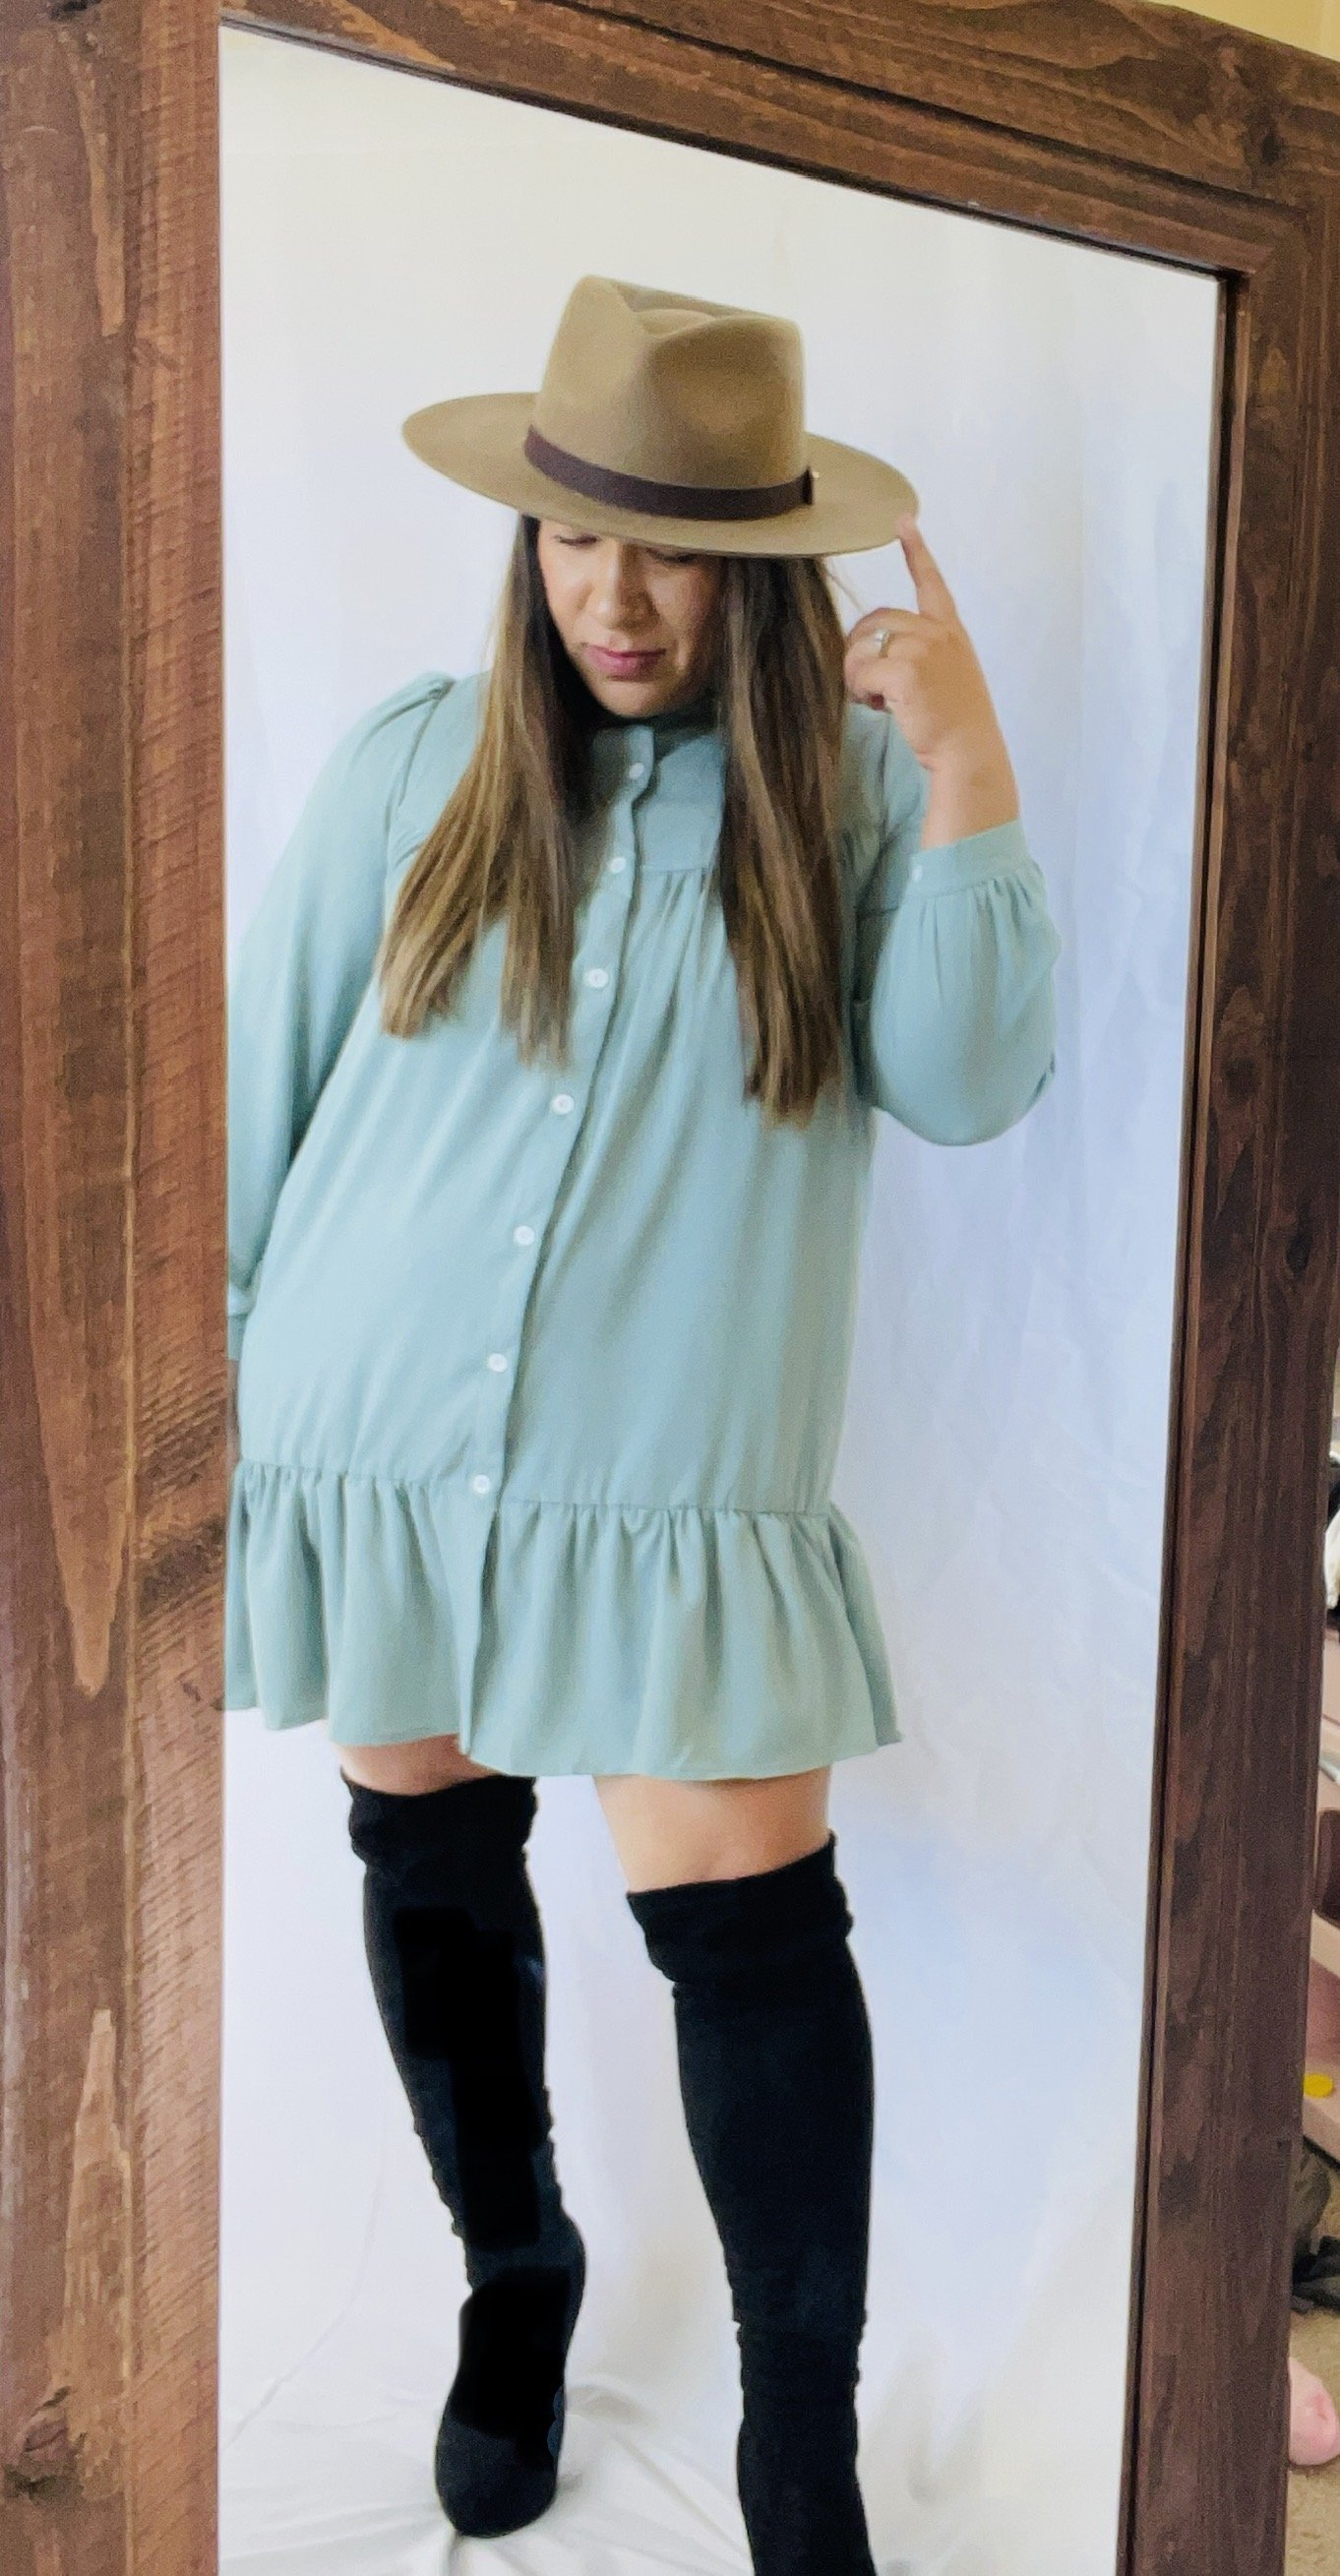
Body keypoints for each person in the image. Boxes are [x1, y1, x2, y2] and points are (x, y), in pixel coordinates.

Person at [224, 274, 1063, 2574]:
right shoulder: (415, 763)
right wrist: (210, 1413)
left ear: (762, 567)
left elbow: (973, 1076)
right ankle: (517, 2278)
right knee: (430, 1867)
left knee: (752, 1940)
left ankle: (800, 2438)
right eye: (578, 533)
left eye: (676, 547)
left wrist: (970, 763)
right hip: (372, 1450)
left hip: (669, 1491)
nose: (613, 591)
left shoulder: (854, 801)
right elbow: (249, 1094)